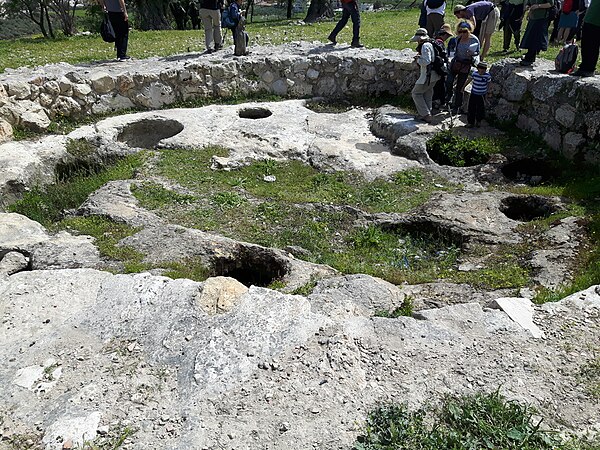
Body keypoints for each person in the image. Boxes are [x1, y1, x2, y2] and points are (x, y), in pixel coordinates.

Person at [447, 20, 480, 112]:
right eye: (460, 31)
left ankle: (457, 106)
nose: (462, 33)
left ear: (469, 30)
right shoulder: (456, 39)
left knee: (460, 87)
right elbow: (451, 52)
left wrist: (472, 55)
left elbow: (477, 54)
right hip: (455, 63)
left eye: (465, 31)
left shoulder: (474, 40)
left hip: (466, 65)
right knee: (449, 82)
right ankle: (448, 98)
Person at [410, 28, 441, 123]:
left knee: (416, 93)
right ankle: (428, 112)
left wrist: (418, 60)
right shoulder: (431, 44)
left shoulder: (425, 46)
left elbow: (427, 61)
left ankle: (426, 115)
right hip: (434, 75)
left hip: (427, 75)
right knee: (428, 92)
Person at [519, 0, 553, 65]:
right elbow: (529, 3)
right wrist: (528, 7)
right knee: (530, 37)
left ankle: (530, 58)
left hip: (541, 18)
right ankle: (529, 56)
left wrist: (538, 6)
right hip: (533, 17)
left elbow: (550, 4)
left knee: (535, 38)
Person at [571, 0, 599, 76]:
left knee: (590, 45)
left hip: (594, 19)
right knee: (587, 45)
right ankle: (586, 68)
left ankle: (587, 68)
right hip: (591, 17)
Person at [432, 24, 453, 109]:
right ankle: (441, 102)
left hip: (435, 68)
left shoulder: (434, 42)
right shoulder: (440, 44)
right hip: (440, 68)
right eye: (447, 36)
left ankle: (436, 102)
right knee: (441, 86)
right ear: (444, 35)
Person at [465, 61, 492, 127]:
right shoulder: (474, 74)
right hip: (474, 93)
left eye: (484, 69)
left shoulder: (487, 76)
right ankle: (470, 122)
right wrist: (463, 87)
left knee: (480, 109)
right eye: (481, 68)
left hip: (482, 94)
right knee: (471, 108)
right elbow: (469, 80)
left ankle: (478, 121)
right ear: (478, 68)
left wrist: (489, 92)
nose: (482, 70)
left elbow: (489, 84)